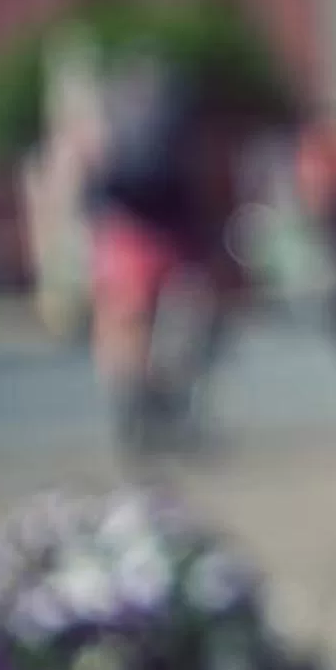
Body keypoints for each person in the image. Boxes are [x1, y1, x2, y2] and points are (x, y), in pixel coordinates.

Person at [85, 57, 226, 454]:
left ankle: (134, 405)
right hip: (171, 233)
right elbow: (197, 182)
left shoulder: (113, 118)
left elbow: (93, 181)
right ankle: (167, 403)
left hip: (123, 231)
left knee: (127, 323)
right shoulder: (179, 120)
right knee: (184, 321)